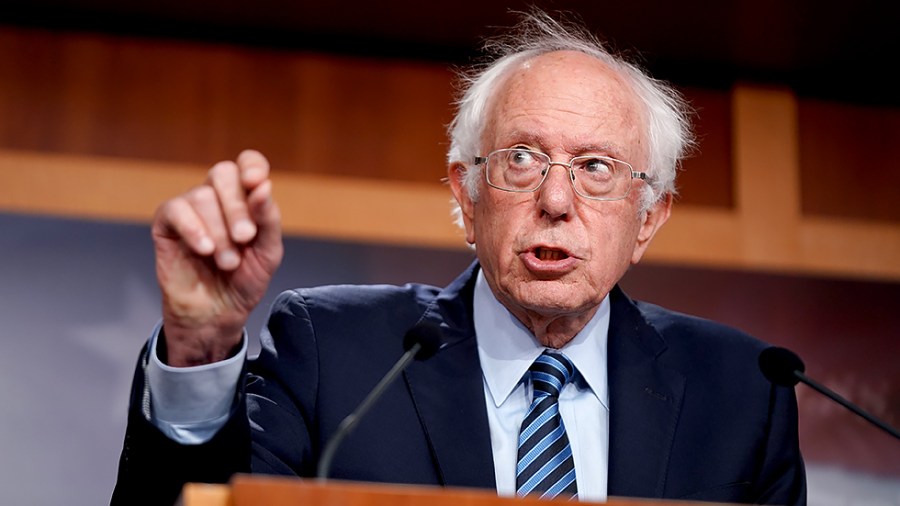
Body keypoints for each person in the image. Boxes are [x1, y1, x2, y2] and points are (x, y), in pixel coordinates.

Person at [111, 10, 806, 506]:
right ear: (466, 194)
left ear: (649, 218)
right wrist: (199, 346)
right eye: (522, 159)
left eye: (596, 167)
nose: (556, 199)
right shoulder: (333, 353)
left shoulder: (744, 391)